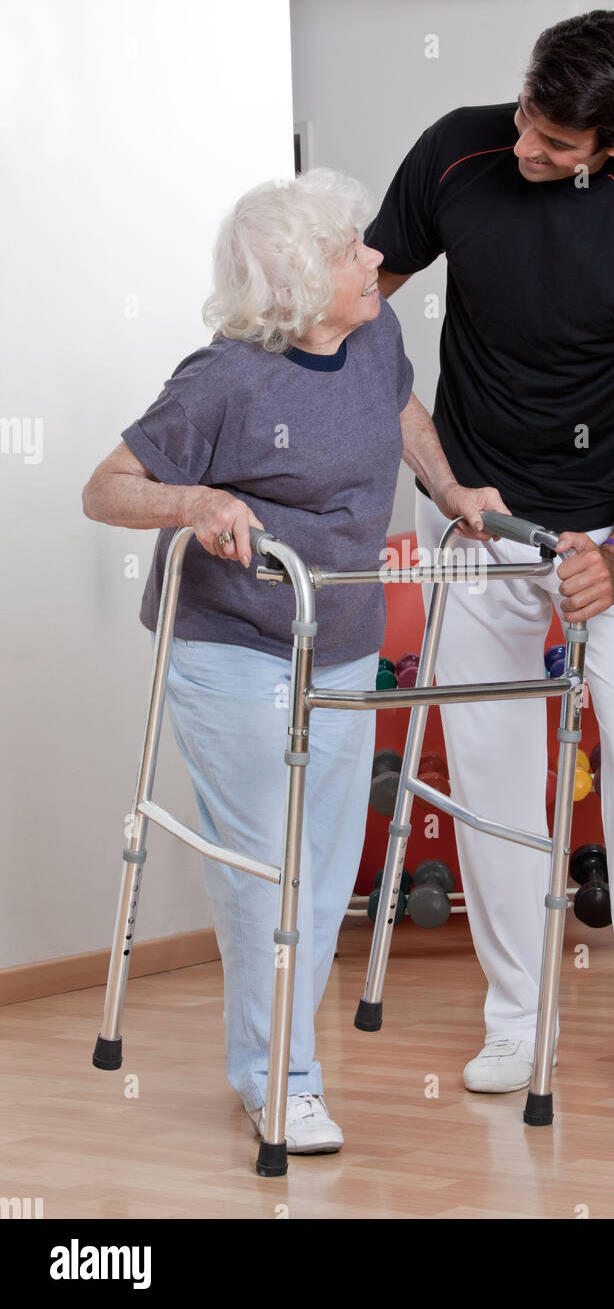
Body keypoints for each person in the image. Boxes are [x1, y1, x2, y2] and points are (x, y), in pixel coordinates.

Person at [364, 10, 614, 1125]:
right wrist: (435, 477)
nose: (528, 145)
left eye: (558, 141)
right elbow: (350, 309)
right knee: (486, 768)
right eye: (529, 112)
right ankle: (512, 1015)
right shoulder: (456, 150)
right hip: (483, 526)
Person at [82, 168, 507, 1152]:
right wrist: (195, 502)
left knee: (320, 869)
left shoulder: (375, 334)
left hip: (341, 635)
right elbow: (107, 488)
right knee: (269, 865)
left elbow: (399, 411)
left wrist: (447, 487)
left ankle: (277, 1062)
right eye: (348, 249)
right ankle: (280, 1078)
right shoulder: (222, 378)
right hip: (230, 644)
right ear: (289, 281)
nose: (373, 258)